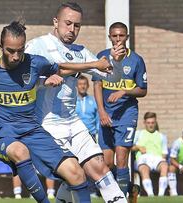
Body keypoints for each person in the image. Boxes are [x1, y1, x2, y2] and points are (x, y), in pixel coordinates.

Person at [0, 20, 112, 203]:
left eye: (20, 50)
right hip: (5, 133)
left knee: (76, 173)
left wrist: (94, 64)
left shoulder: (34, 63)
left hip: (33, 130)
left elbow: (62, 68)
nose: (16, 56)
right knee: (20, 151)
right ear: (0, 46)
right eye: (10, 51)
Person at [25, 2, 127, 203]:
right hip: (48, 126)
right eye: (68, 23)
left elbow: (110, 79)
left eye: (77, 26)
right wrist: (45, 81)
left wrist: (115, 62)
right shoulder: (37, 46)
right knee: (74, 175)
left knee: (100, 167)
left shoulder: (81, 51)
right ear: (56, 22)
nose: (72, 30)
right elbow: (24, 82)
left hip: (74, 123)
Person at [93, 22, 147, 196]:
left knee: (122, 159)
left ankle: (120, 199)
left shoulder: (136, 60)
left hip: (126, 114)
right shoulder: (102, 57)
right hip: (106, 114)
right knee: (106, 164)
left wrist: (124, 91)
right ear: (110, 37)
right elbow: (97, 85)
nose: (118, 39)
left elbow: (143, 89)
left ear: (127, 37)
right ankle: (130, 188)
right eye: (114, 36)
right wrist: (101, 111)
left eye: (121, 35)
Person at [131, 112, 168, 196]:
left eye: (152, 123)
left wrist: (162, 161)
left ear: (155, 122)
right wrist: (138, 147)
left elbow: (164, 154)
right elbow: (129, 148)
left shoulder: (162, 136)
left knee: (165, 166)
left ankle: (161, 195)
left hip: (157, 159)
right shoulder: (139, 134)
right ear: (144, 123)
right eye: (148, 123)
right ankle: (150, 195)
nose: (150, 125)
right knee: (144, 169)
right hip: (142, 159)